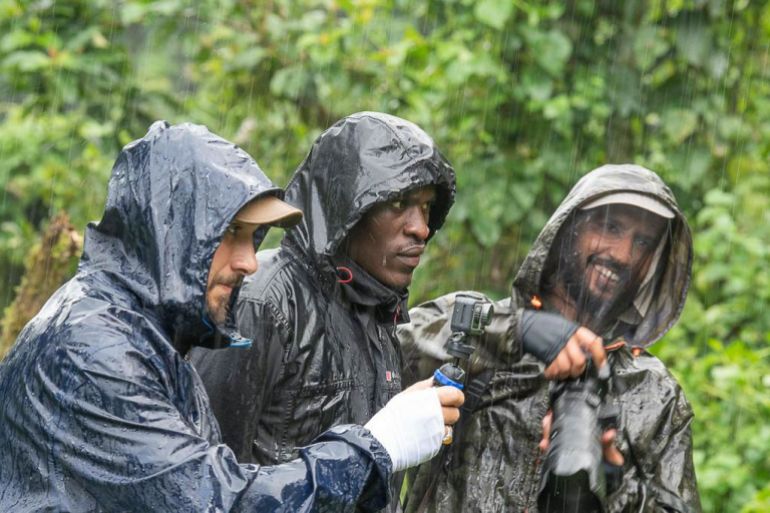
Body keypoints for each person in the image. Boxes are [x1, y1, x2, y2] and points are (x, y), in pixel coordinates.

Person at [0, 121, 464, 512]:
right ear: (173, 231)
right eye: (231, 234)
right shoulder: (93, 351)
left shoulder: (148, 338)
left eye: (254, 237)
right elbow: (214, 499)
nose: (247, 261)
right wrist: (374, 448)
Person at [399, 164, 701, 513]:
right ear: (569, 229)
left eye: (643, 242)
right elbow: (389, 355)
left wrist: (614, 487)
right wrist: (517, 330)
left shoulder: (654, 393)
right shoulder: (475, 325)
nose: (622, 254)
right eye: (610, 227)